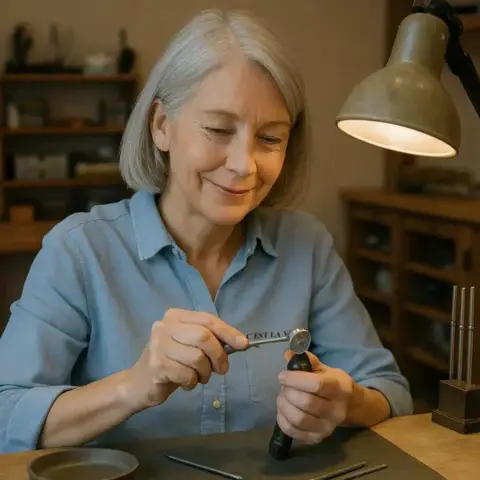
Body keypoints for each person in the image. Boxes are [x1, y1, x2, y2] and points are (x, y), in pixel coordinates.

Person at [0, 9, 413, 454]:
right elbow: (7, 417)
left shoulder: (307, 245)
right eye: (218, 130)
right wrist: (133, 387)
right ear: (161, 126)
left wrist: (346, 403)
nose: (244, 164)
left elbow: (391, 393)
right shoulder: (79, 250)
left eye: (270, 139)